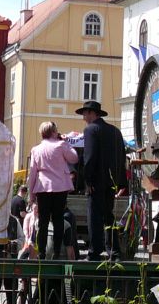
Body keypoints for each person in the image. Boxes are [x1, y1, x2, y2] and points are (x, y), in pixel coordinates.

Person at [76, 100, 126, 261]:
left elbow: (89, 158)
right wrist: (121, 182)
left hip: (96, 182)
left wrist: (87, 181)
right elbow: (121, 157)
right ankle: (114, 252)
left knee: (94, 218)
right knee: (108, 217)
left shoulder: (90, 130)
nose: (83, 116)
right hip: (111, 182)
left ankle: (94, 252)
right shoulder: (115, 131)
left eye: (85, 113)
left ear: (91, 113)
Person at [26, 121, 79, 260]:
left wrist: (31, 195)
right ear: (54, 132)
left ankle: (42, 252)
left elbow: (32, 174)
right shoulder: (61, 145)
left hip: (43, 188)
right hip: (60, 187)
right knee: (58, 220)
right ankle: (56, 251)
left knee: (43, 222)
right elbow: (74, 157)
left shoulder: (36, 149)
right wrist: (66, 142)